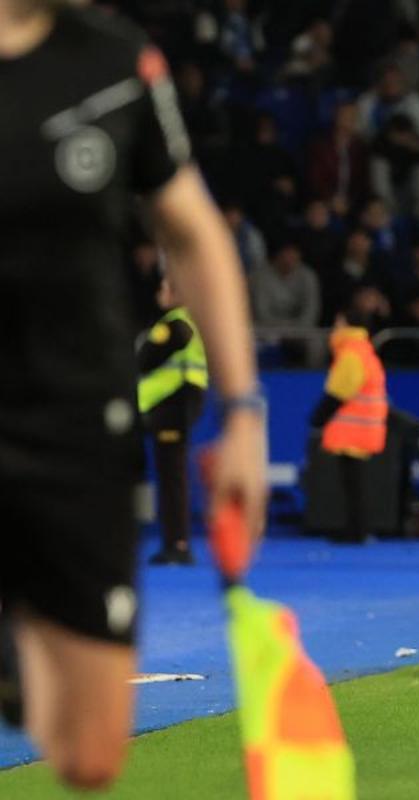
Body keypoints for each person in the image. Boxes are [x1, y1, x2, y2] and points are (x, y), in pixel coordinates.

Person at [0, 2, 266, 790]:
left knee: (89, 755)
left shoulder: (114, 61)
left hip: (80, 420)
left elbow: (191, 232)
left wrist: (245, 413)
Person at [137, 274, 209, 565]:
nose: (161, 292)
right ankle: (176, 542)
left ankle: (177, 544)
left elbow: (144, 358)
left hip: (173, 406)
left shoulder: (175, 326)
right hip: (177, 406)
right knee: (171, 475)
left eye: (167, 287)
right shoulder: (189, 322)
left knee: (172, 477)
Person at [309, 311, 388, 544]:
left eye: (337, 324)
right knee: (355, 481)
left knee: (352, 482)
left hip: (353, 429)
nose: (333, 330)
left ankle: (355, 529)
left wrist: (318, 418)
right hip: (364, 427)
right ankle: (356, 527)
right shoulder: (363, 350)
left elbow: (339, 391)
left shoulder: (352, 353)